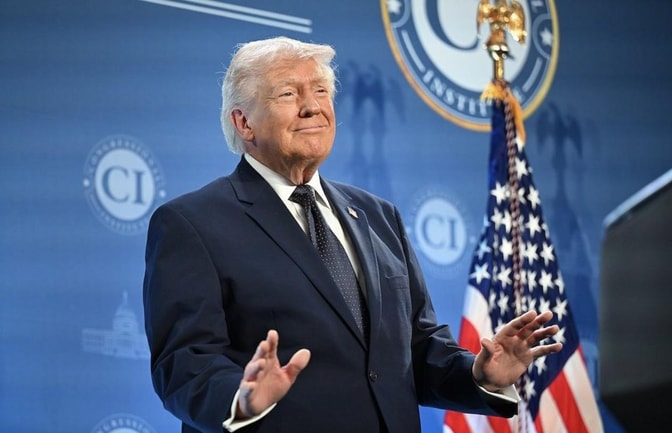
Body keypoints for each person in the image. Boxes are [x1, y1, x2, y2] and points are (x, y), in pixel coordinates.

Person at [142, 36, 562, 433]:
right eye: (288, 94)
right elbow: (185, 363)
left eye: (321, 91)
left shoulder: (379, 216)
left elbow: (416, 349)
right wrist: (241, 399)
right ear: (244, 122)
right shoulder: (192, 223)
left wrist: (480, 374)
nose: (312, 107)